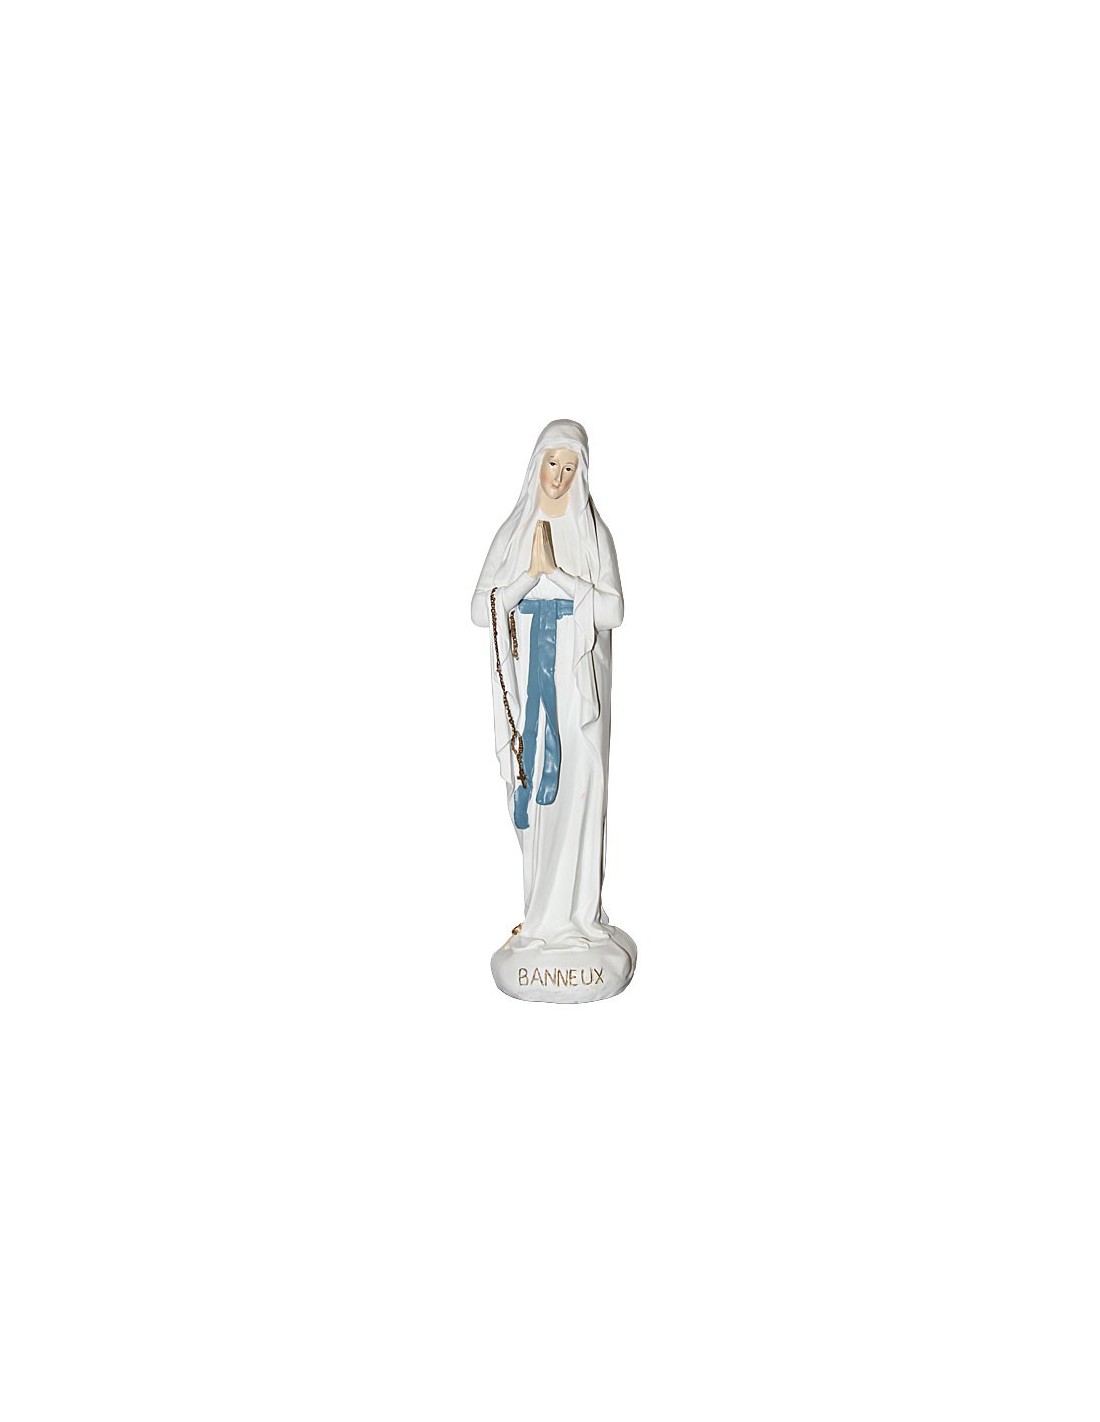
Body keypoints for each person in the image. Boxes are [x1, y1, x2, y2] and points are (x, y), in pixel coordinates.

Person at [471, 419, 636, 1001]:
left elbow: (613, 611)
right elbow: (482, 608)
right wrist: (528, 578)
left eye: (570, 467)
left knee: (579, 792)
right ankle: (542, 918)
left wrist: (560, 578)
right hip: (531, 688)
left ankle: (579, 918)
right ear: (536, 464)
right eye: (552, 465)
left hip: (577, 692)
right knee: (538, 801)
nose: (560, 478)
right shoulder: (514, 531)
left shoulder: (593, 535)